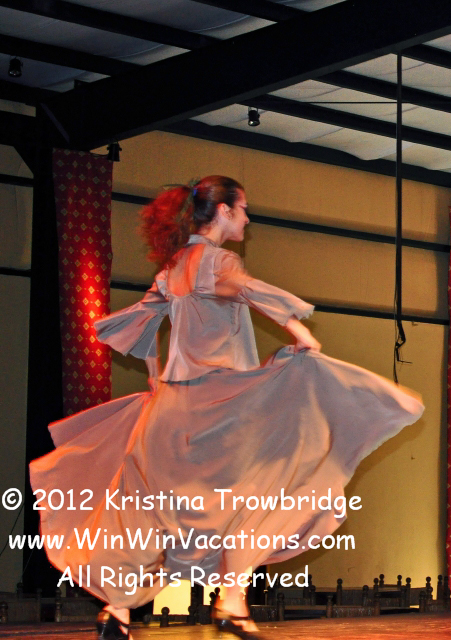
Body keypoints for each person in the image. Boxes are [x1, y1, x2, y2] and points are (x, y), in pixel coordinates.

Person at [29, 176, 424, 639]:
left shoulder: (174, 266)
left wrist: (157, 376)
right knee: (258, 494)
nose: (247, 218)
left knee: (154, 509)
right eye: (243, 209)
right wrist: (300, 332)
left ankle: (117, 608)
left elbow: (143, 322)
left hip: (170, 412)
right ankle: (231, 600)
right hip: (223, 406)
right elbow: (245, 288)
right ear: (222, 211)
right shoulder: (217, 260)